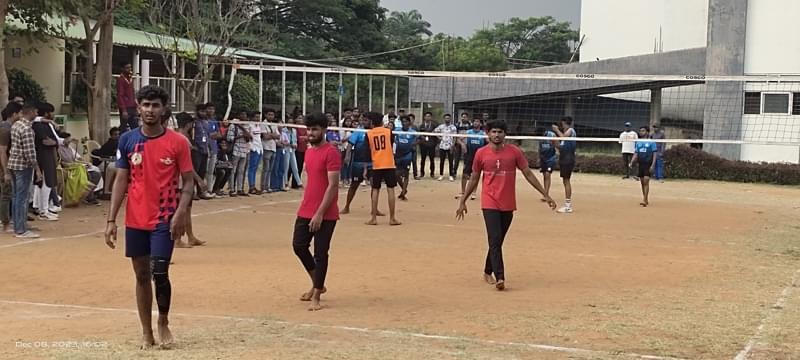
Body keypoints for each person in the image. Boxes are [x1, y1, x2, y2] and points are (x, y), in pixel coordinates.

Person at [105, 86, 193, 349]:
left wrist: (180, 214)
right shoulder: (128, 140)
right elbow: (121, 180)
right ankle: (146, 331)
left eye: (155, 105)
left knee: (160, 272)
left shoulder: (178, 142)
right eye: (145, 105)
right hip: (135, 221)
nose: (149, 110)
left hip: (164, 219)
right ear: (138, 107)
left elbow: (188, 183)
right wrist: (111, 220)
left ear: (163, 109)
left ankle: (163, 321)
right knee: (141, 274)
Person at [456, 120, 556, 291]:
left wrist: (545, 194)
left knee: (498, 240)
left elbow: (528, 173)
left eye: (500, 131)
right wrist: (463, 200)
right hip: (489, 201)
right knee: (494, 238)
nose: (496, 135)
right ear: (488, 134)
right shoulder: (481, 153)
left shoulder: (514, 152)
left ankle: (488, 270)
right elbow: (474, 178)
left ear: (505, 134)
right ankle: (500, 276)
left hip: (508, 202)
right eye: (493, 131)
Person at [292, 112, 341, 311]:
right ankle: (317, 283)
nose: (311, 133)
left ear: (324, 130)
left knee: (321, 253)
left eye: (315, 129)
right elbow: (309, 177)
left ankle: (317, 297)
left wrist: (320, 213)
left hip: (326, 213)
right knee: (299, 246)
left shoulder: (331, 153)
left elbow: (333, 186)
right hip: (306, 209)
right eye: (309, 129)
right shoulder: (310, 152)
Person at [173, 112, 208, 247]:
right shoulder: (183, 139)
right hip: (183, 179)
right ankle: (177, 239)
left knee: (187, 209)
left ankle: (190, 236)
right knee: (182, 210)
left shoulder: (179, 137)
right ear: (189, 124)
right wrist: (199, 179)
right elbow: (186, 165)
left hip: (184, 178)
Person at [9, 104, 41, 238]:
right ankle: (21, 229)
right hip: (23, 165)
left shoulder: (16, 125)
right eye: (36, 111)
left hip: (13, 163)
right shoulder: (27, 129)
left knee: (16, 197)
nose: (37, 114)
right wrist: (37, 169)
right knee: (22, 198)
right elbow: (30, 153)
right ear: (32, 112)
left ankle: (17, 225)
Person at [365, 112, 401, 226]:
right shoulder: (388, 132)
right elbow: (390, 144)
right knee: (391, 190)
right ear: (381, 122)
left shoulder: (369, 134)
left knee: (375, 190)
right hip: (389, 164)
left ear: (371, 122)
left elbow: (368, 149)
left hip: (377, 164)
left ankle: (374, 218)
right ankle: (392, 218)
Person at [31, 102, 59, 221]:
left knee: (45, 183)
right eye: (51, 112)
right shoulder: (39, 125)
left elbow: (55, 140)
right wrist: (55, 142)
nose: (52, 115)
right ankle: (43, 210)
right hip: (43, 155)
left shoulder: (44, 124)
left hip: (47, 154)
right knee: (45, 182)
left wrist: (56, 142)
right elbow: (46, 141)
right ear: (46, 113)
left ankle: (43, 208)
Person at [58, 132, 102, 206]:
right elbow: (63, 162)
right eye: (68, 139)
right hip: (68, 169)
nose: (70, 140)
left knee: (96, 173)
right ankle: (89, 197)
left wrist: (85, 163)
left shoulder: (69, 148)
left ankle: (88, 195)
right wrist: (77, 165)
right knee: (89, 175)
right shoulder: (59, 148)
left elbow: (76, 159)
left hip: (76, 167)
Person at [0, 102, 23, 233]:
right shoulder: (5, 129)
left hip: (6, 165)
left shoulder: (8, 127)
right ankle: (5, 223)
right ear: (14, 114)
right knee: (6, 193)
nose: (21, 116)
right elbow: (2, 151)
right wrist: (6, 171)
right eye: (19, 113)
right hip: (4, 166)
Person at [551, 116, 577, 214]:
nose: (562, 126)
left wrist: (557, 130)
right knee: (565, 181)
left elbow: (563, 136)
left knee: (566, 181)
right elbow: (561, 147)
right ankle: (567, 205)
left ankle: (568, 206)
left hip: (568, 160)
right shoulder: (566, 137)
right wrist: (554, 142)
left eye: (562, 124)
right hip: (564, 159)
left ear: (565, 123)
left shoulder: (570, 130)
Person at [457, 118, 486, 200]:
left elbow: (490, 141)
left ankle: (473, 193)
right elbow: (458, 139)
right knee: (465, 173)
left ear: (480, 124)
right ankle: (463, 192)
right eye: (475, 121)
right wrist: (462, 144)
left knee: (475, 174)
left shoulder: (483, 134)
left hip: (479, 156)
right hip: (469, 155)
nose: (476, 123)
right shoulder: (469, 132)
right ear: (472, 123)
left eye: (478, 121)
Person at [630, 126, 657, 207]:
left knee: (646, 181)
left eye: (643, 131)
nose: (641, 132)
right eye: (640, 131)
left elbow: (655, 154)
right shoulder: (638, 142)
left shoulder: (652, 142)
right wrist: (632, 162)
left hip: (648, 164)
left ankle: (644, 200)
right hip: (640, 164)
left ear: (647, 132)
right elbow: (636, 153)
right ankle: (645, 198)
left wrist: (653, 165)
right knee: (642, 183)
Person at [226, 111, 251, 196]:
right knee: (233, 170)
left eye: (245, 114)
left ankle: (240, 189)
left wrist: (245, 132)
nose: (244, 116)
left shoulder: (246, 125)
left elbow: (250, 138)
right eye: (242, 114)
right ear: (238, 115)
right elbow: (229, 138)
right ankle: (232, 189)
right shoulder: (233, 125)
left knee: (241, 171)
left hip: (244, 150)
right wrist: (240, 136)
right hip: (235, 149)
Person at [191, 104, 214, 199]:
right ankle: (192, 192)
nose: (203, 113)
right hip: (197, 150)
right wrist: (193, 145)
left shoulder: (206, 123)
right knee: (195, 172)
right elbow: (190, 134)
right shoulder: (194, 122)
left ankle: (201, 191)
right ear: (197, 112)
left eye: (204, 111)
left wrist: (209, 147)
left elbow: (208, 136)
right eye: (202, 111)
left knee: (202, 171)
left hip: (204, 150)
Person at [393, 116, 417, 201]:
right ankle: (404, 189)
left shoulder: (413, 132)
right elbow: (391, 137)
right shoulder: (397, 130)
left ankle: (403, 192)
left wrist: (415, 143)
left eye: (406, 121)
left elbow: (421, 138)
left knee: (406, 174)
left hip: (407, 155)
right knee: (396, 174)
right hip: (398, 155)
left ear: (409, 123)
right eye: (403, 121)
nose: (404, 123)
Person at [204, 103, 222, 196]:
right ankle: (203, 189)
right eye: (209, 109)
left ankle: (209, 189)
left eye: (212, 109)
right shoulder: (203, 121)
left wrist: (212, 135)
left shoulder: (215, 121)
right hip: (205, 148)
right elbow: (206, 135)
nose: (211, 111)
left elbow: (219, 135)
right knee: (205, 170)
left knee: (211, 170)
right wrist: (212, 135)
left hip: (214, 148)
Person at [434, 114, 458, 182]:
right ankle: (441, 175)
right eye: (446, 118)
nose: (447, 119)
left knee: (451, 161)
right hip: (442, 146)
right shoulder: (441, 126)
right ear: (444, 119)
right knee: (442, 161)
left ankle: (451, 175)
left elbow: (455, 137)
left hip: (450, 146)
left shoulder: (453, 127)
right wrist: (439, 138)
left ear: (450, 119)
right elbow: (434, 131)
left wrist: (453, 145)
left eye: (448, 118)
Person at [261, 109, 280, 193]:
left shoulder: (274, 124)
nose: (271, 116)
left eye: (272, 115)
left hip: (273, 147)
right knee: (266, 168)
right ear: (265, 115)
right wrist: (273, 135)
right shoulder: (263, 124)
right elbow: (265, 137)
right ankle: (263, 186)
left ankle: (267, 186)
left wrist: (271, 135)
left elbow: (278, 136)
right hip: (266, 147)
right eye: (269, 114)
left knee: (270, 169)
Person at [538, 124, 558, 201]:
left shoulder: (551, 135)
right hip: (543, 158)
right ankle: (545, 193)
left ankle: (546, 194)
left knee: (547, 175)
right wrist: (539, 158)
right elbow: (540, 148)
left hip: (551, 158)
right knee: (544, 175)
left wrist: (558, 154)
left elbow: (557, 145)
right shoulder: (539, 137)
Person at [116, 62, 138, 131]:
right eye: (127, 68)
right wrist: (124, 110)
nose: (129, 69)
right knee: (123, 127)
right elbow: (120, 95)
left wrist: (136, 106)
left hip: (132, 107)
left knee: (135, 127)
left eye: (130, 67)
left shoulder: (130, 78)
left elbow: (133, 93)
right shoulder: (121, 79)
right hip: (126, 107)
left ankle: (136, 141)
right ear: (122, 69)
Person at [247, 111, 264, 195]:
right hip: (253, 148)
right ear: (252, 117)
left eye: (259, 117)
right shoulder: (250, 125)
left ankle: (253, 186)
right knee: (252, 168)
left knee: (255, 168)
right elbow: (249, 137)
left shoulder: (258, 126)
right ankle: (251, 186)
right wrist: (251, 147)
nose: (258, 119)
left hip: (259, 148)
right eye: (256, 117)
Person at [417, 112, 437, 179]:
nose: (428, 117)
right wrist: (422, 137)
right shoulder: (421, 126)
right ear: (424, 117)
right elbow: (419, 134)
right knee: (423, 159)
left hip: (431, 145)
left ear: (431, 117)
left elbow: (436, 135)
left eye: (429, 116)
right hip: (423, 145)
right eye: (426, 116)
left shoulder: (434, 125)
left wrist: (435, 143)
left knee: (432, 159)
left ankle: (432, 173)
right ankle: (422, 173)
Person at [453, 112, 472, 178]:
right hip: (458, 143)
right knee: (456, 159)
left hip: (467, 143)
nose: (463, 118)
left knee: (467, 160)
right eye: (462, 117)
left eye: (465, 117)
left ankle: (466, 174)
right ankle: (454, 173)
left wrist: (464, 142)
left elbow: (470, 134)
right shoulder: (457, 125)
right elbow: (455, 135)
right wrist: (460, 143)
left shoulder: (470, 125)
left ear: (468, 118)